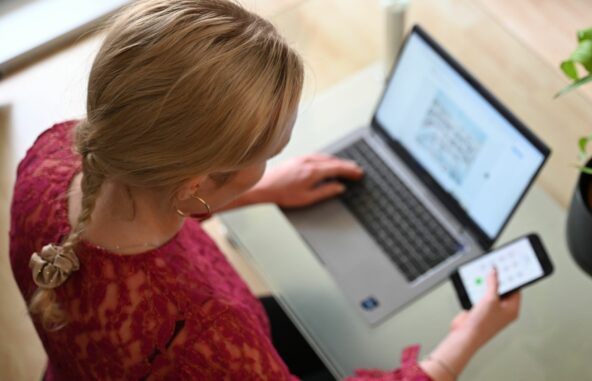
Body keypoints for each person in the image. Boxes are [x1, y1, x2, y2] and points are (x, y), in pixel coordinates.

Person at [9, 1, 520, 380]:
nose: (270, 161)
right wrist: (459, 344)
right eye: (266, 155)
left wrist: (263, 187)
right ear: (195, 181)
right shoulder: (209, 333)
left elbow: (140, 198)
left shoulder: (53, 156)